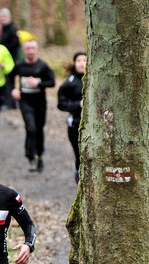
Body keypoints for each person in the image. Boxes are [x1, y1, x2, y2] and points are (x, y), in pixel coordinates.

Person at [11, 40, 56, 173]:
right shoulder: (19, 65)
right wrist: (13, 89)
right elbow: (9, 78)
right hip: (25, 102)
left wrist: (39, 83)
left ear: (37, 50)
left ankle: (40, 156)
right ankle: (30, 155)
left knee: (39, 129)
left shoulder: (42, 66)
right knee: (31, 128)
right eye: (28, 48)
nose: (30, 51)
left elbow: (52, 82)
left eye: (32, 48)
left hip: (40, 102)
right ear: (24, 51)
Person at [57, 51, 87, 184]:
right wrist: (78, 105)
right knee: (79, 154)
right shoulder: (69, 83)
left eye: (85, 60)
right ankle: (79, 177)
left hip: (94, 125)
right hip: (75, 124)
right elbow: (61, 104)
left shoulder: (95, 78)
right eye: (79, 61)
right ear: (74, 63)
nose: (82, 64)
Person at [0, 8, 20, 109]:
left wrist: (2, 47)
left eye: (4, 17)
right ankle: (9, 101)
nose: (2, 19)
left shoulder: (12, 28)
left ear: (9, 17)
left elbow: (16, 44)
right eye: (0, 17)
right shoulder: (3, 29)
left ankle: (10, 102)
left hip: (12, 60)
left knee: (9, 81)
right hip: (4, 60)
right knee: (7, 81)